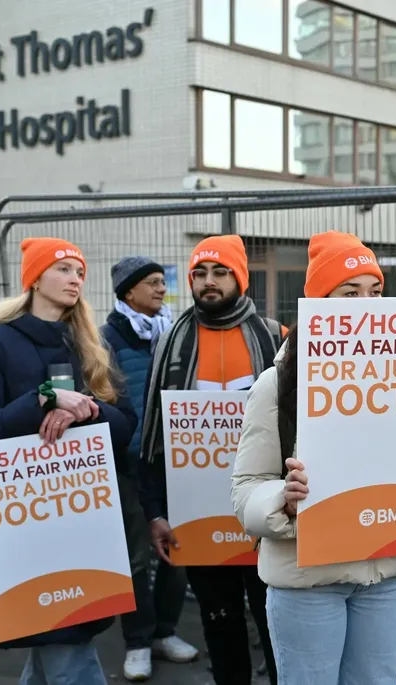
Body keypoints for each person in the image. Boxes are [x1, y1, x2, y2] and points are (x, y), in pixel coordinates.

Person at [230, 231, 396, 685]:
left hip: (389, 575)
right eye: (350, 293)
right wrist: (282, 501)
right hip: (307, 581)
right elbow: (245, 488)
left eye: (375, 291)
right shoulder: (278, 383)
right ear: (320, 301)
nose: (366, 304)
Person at [0, 238, 138, 684]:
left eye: (79, 272)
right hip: (22, 518)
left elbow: (126, 426)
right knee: (66, 647)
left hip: (79, 517)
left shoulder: (89, 344)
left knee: (59, 643)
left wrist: (86, 409)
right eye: (63, 269)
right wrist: (42, 400)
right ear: (34, 278)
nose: (75, 278)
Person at [138, 235, 282, 685]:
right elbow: (153, 439)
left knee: (275, 625)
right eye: (200, 273)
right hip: (199, 518)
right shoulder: (169, 343)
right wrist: (156, 512)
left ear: (239, 277)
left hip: (265, 512)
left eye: (220, 272)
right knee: (220, 628)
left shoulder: (274, 337)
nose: (208, 282)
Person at [100, 257, 198, 681]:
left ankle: (165, 631)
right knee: (136, 556)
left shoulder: (175, 335)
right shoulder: (104, 340)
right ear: (128, 292)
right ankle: (138, 641)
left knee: (180, 548)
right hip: (128, 463)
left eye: (163, 282)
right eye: (153, 283)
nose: (161, 290)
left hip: (174, 461)